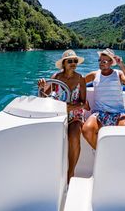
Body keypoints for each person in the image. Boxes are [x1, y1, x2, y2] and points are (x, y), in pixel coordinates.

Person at [38, 49, 89, 183]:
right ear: (64, 63)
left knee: (73, 135)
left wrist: (71, 108)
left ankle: (70, 172)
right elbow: (45, 97)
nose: (73, 63)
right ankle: (47, 172)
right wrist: (42, 87)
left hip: (75, 114)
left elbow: (84, 102)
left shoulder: (80, 79)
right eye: (70, 61)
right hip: (58, 113)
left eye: (75, 61)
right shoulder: (56, 77)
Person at [82, 48, 125, 150]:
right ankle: (101, 152)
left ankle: (115, 154)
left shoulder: (118, 74)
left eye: (104, 61)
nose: (101, 63)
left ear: (111, 62)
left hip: (118, 114)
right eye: (100, 60)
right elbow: (79, 84)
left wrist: (122, 66)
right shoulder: (94, 75)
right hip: (99, 113)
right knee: (87, 130)